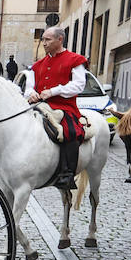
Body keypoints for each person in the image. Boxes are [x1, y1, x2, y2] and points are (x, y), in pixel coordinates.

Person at [25, 27, 89, 190]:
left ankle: (67, 174)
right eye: (43, 40)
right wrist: (31, 94)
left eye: (48, 40)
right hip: (37, 105)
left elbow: (79, 85)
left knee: (71, 131)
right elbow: (29, 87)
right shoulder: (37, 65)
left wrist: (54, 91)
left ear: (60, 39)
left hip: (64, 106)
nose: (44, 43)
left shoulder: (75, 60)